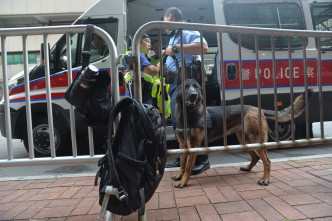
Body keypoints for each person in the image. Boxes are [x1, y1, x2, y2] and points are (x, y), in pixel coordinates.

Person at [163, 7, 210, 175]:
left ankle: (202, 160)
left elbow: (203, 47)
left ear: (171, 17)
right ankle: (183, 156)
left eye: (165, 20)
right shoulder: (175, 34)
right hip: (177, 83)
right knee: (179, 123)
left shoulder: (187, 30)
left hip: (187, 82)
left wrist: (175, 49)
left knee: (193, 122)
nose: (164, 25)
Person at [125, 34, 160, 105]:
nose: (149, 44)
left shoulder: (142, 55)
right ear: (138, 42)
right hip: (140, 93)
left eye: (150, 43)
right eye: (146, 41)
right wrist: (158, 68)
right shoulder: (138, 53)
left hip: (141, 91)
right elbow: (152, 71)